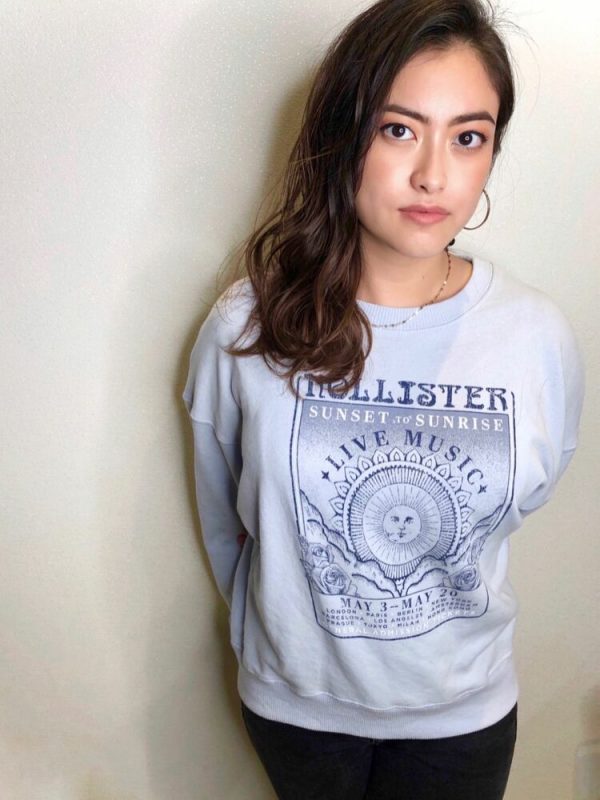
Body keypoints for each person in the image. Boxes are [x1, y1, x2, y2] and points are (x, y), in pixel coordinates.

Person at [182, 1, 585, 798]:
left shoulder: (535, 336)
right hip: (296, 711)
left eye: (468, 137)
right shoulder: (245, 325)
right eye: (399, 129)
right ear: (343, 135)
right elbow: (227, 516)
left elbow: (524, 494)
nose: (434, 174)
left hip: (461, 716)